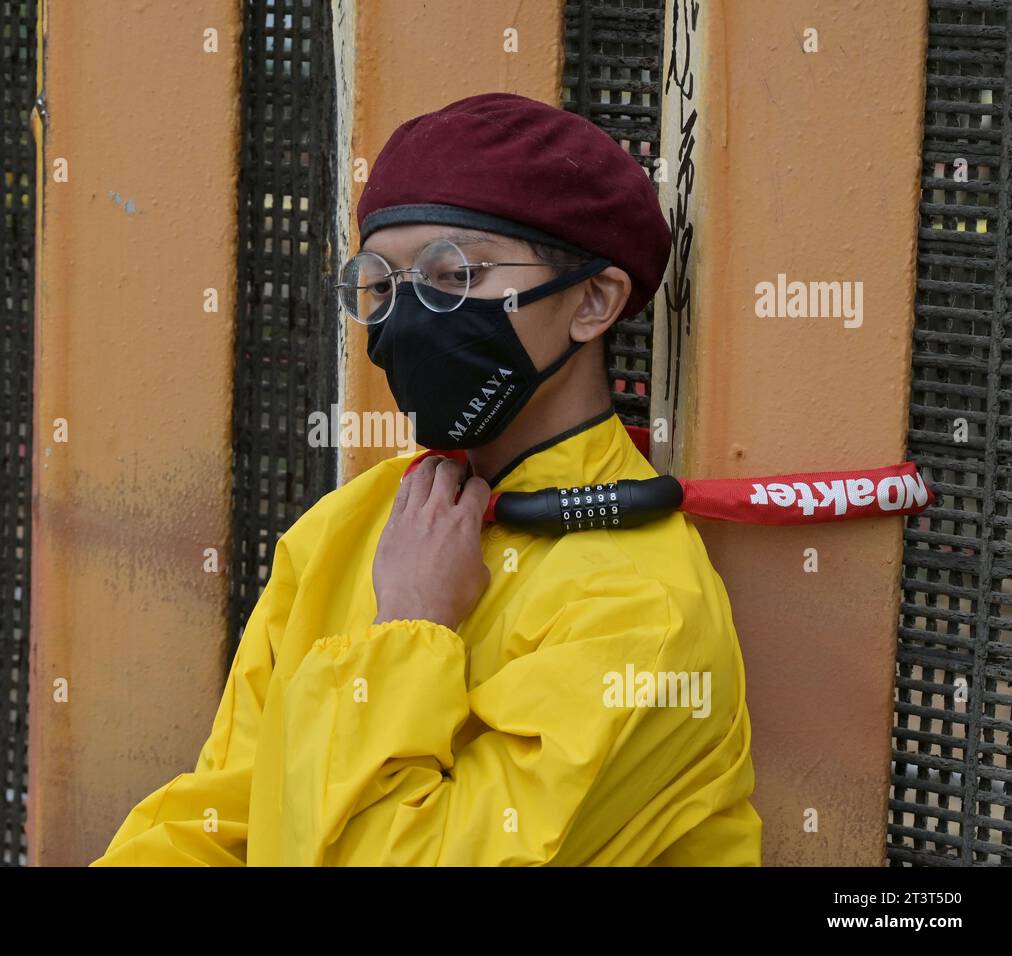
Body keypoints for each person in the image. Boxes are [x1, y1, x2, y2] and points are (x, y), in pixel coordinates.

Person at [92, 91, 762, 866]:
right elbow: (218, 819)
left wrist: (410, 627)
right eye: (382, 285)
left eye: (454, 274)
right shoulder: (343, 531)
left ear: (592, 300)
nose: (410, 317)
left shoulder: (642, 612)